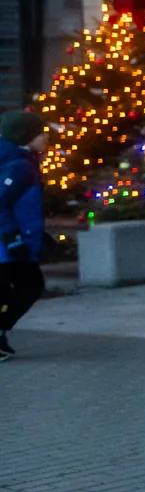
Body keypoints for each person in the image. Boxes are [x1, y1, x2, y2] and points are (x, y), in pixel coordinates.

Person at [0, 110, 49, 357]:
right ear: (24, 136)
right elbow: (2, 203)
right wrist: (13, 239)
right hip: (9, 245)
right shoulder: (19, 165)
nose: (45, 137)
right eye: (39, 133)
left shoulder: (19, 160)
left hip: (15, 240)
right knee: (30, 285)